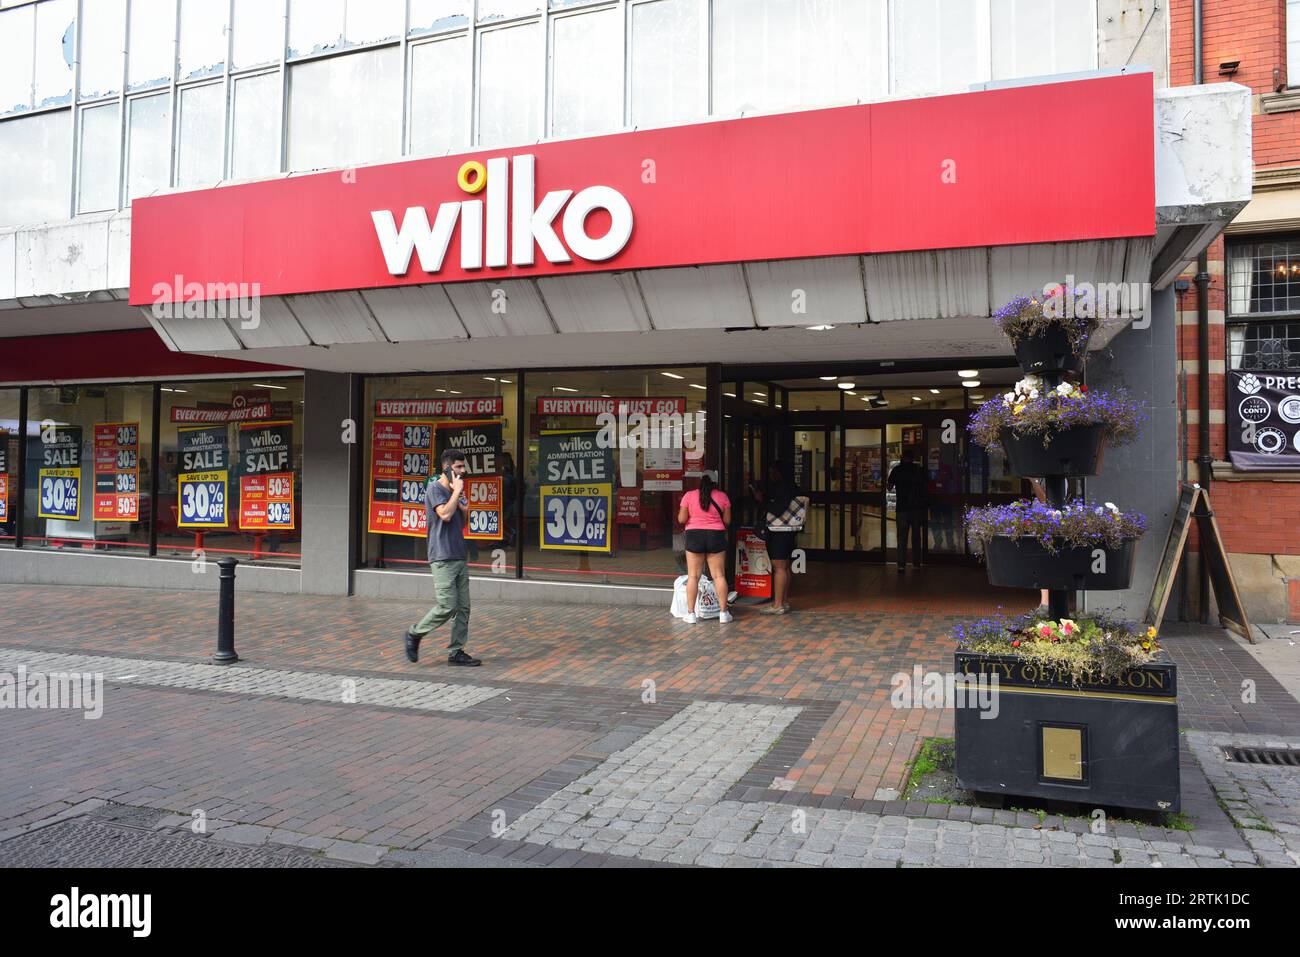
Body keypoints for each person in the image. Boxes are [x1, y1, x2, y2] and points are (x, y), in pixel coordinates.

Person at [403, 449, 481, 666]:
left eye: (464, 467)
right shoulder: (435, 489)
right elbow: (445, 515)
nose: (463, 471)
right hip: (442, 557)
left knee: (463, 607)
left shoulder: (456, 492)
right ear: (446, 468)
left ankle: (456, 652)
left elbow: (460, 523)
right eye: (458, 467)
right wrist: (456, 493)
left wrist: (465, 509)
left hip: (458, 554)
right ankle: (414, 633)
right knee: (447, 606)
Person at [676, 472, 732, 624]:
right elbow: (727, 520)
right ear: (716, 482)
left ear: (700, 481)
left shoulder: (689, 496)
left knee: (693, 576)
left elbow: (681, 519)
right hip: (716, 535)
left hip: (694, 535)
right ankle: (723, 613)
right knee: (719, 576)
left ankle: (691, 614)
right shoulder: (723, 497)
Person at [753, 460, 801, 615]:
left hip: (779, 531)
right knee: (785, 567)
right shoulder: (792, 486)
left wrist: (763, 500)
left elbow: (777, 509)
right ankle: (784, 601)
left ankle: (777, 604)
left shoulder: (783, 488)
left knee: (779, 567)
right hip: (788, 531)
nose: (771, 475)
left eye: (773, 471)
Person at [888, 449, 927, 572]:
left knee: (902, 537)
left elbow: (889, 487)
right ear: (912, 457)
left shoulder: (896, 470)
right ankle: (916, 563)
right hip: (916, 508)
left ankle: (901, 564)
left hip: (901, 509)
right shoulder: (918, 470)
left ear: (902, 457)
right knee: (916, 537)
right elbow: (925, 486)